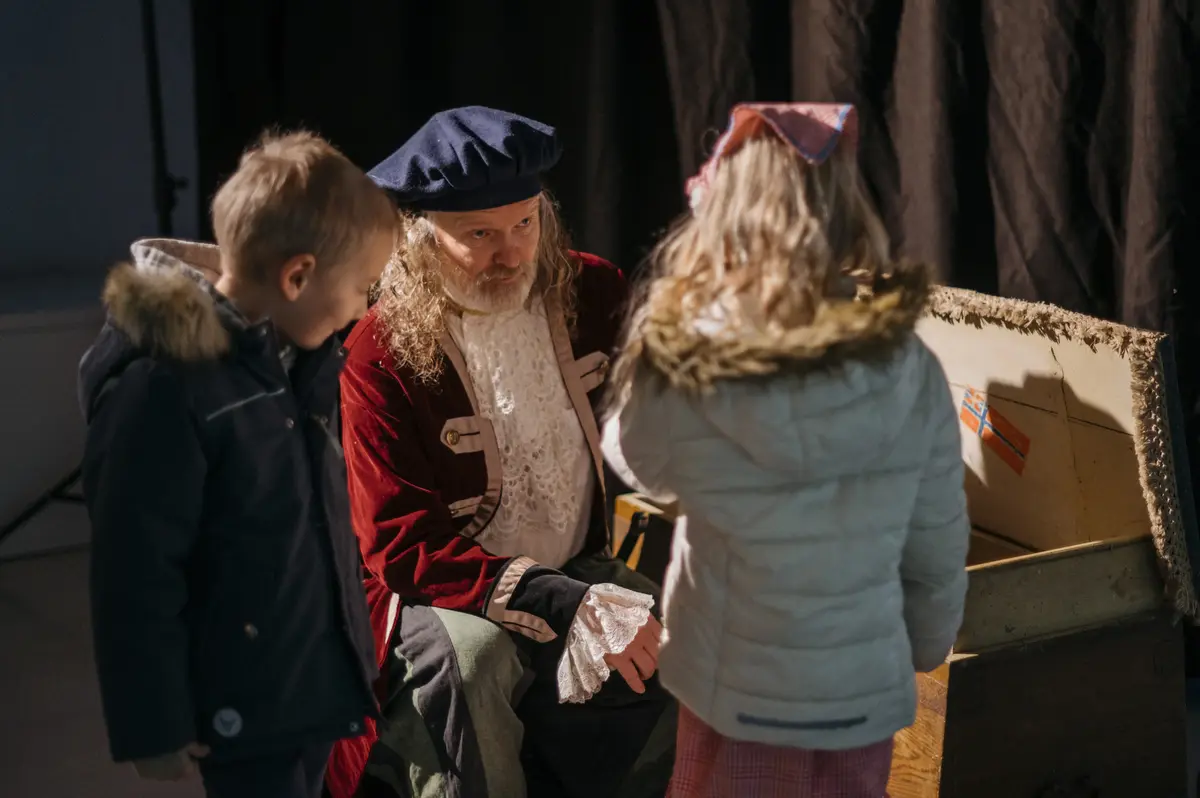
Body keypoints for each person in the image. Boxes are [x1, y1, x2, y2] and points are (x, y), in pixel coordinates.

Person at [599, 103, 972, 797]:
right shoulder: (909, 364)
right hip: (860, 690)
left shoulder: (694, 350)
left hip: (734, 688)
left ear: (723, 212)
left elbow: (636, 460)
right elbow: (937, 539)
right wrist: (921, 646)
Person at [325, 106, 675, 798]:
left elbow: (664, 410)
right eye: (480, 234)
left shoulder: (593, 291)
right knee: (476, 662)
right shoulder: (379, 351)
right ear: (420, 237)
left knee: (673, 638)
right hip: (436, 594)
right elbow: (400, 544)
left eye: (525, 223)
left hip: (576, 562)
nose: (512, 254)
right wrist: (557, 598)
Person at [78, 131, 396, 798]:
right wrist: (153, 722)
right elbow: (135, 571)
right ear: (297, 276)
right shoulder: (163, 389)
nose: (364, 308)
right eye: (361, 287)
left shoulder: (293, 358)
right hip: (241, 698)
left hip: (306, 679)